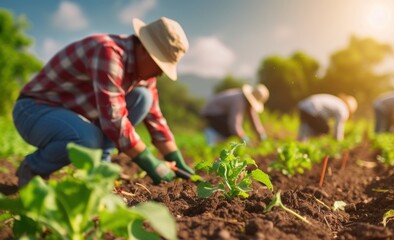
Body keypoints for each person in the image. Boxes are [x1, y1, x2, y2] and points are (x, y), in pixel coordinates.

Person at [13, 17, 195, 187]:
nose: (160, 73)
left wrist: (177, 160)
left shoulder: (145, 75)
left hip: (75, 117)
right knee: (87, 139)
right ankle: (32, 169)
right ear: (145, 50)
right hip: (33, 110)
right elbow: (114, 120)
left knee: (143, 98)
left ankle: (102, 168)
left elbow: (155, 119)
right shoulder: (108, 51)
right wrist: (150, 162)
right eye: (160, 65)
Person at [201, 84, 269, 146]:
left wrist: (261, 134)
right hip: (212, 112)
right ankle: (211, 139)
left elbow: (254, 119)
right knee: (229, 131)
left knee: (229, 132)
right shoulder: (239, 101)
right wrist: (245, 140)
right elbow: (234, 125)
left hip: (221, 113)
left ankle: (218, 143)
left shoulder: (247, 103)